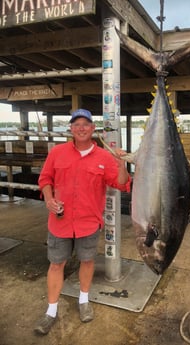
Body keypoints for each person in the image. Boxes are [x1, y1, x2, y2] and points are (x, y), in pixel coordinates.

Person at [34, 109, 131, 335]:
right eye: (76, 124)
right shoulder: (57, 152)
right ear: (71, 128)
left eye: (85, 123)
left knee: (87, 261)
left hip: (89, 222)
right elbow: (45, 179)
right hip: (60, 222)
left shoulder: (105, 157)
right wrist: (48, 199)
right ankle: (51, 311)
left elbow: (122, 185)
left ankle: (84, 300)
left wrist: (121, 164)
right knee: (56, 264)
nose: (81, 127)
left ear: (93, 128)